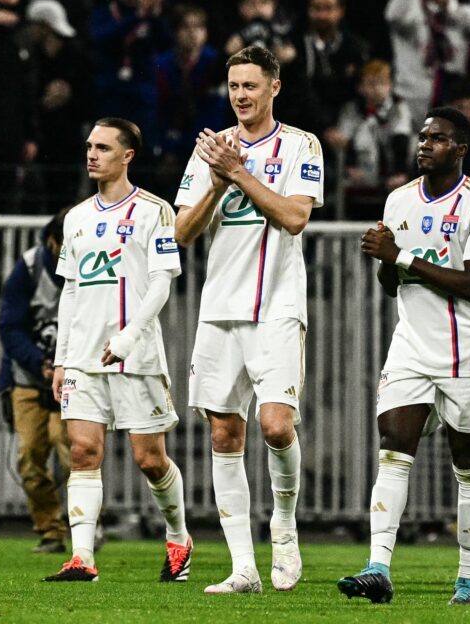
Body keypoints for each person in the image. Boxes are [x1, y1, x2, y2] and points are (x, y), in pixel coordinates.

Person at [172, 44, 324, 594]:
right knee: (222, 431)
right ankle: (243, 568)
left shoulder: (301, 144)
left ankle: (284, 528)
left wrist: (239, 173)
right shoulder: (211, 151)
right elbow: (182, 233)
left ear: (274, 87)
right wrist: (216, 181)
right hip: (220, 307)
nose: (241, 96)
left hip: (279, 304)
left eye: (251, 86)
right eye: (234, 87)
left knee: (276, 425)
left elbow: (293, 216)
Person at [341, 108, 470, 607]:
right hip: (411, 345)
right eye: (423, 136)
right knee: (393, 447)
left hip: (466, 355)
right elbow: (391, 284)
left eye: (438, 138)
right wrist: (384, 260)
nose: (425, 144)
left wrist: (401, 258)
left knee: (469, 466)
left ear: (460, 149)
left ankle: (468, 578)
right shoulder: (398, 199)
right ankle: (378, 567)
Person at [43, 118, 191, 584]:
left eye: (103, 147)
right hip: (84, 357)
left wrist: (130, 336)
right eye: (89, 146)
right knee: (83, 451)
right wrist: (63, 358)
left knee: (150, 459)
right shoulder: (76, 217)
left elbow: (164, 280)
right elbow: (69, 291)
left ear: (127, 155)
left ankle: (179, 537)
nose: (92, 154)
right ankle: (82, 558)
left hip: (136, 357)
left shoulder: (154, 211)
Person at [0, 209, 69, 555]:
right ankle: (50, 530)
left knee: (74, 451)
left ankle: (86, 526)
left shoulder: (94, 265)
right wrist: (39, 363)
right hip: (28, 376)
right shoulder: (27, 268)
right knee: (29, 456)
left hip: (72, 375)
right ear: (52, 240)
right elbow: (10, 327)